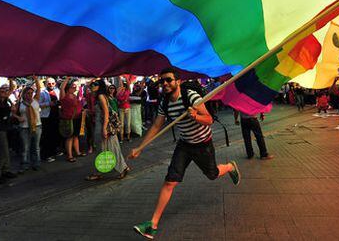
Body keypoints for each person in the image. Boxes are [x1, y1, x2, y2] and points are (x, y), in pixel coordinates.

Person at [129, 67, 241, 239]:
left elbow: (209, 120)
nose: (164, 83)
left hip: (203, 145)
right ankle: (152, 224)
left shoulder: (191, 97)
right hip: (184, 145)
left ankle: (229, 167)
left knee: (212, 174)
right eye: (162, 81)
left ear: (177, 81)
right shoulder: (164, 103)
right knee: (169, 182)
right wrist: (140, 147)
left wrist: (195, 116)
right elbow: (157, 126)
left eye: (168, 80)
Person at [85, 79, 130, 181]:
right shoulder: (99, 95)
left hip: (103, 126)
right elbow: (88, 87)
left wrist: (104, 129)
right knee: (106, 149)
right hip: (102, 125)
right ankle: (104, 171)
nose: (92, 85)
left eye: (95, 84)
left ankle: (121, 168)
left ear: (100, 86)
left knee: (109, 149)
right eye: (92, 84)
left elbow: (106, 113)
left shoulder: (101, 96)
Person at [0, 80, 17, 183]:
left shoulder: (4, 101)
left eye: (5, 91)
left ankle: (5, 170)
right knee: (4, 152)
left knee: (6, 151)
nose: (5, 92)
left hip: (5, 129)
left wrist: (11, 79)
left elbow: (10, 90)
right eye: (2, 91)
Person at [17, 76, 43, 172]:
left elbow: (39, 88)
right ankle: (25, 164)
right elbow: (13, 113)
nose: (30, 95)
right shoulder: (20, 103)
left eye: (31, 93)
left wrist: (36, 79)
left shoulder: (35, 100)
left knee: (36, 147)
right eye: (28, 93)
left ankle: (36, 163)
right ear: (24, 94)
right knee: (25, 148)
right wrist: (18, 117)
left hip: (37, 126)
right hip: (24, 128)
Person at [60, 77, 85, 162]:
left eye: (75, 87)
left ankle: (77, 152)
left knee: (76, 136)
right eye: (72, 87)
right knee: (70, 137)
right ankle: (69, 155)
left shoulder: (75, 95)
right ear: (68, 88)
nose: (74, 88)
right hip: (69, 119)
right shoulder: (64, 96)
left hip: (77, 118)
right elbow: (62, 87)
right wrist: (67, 78)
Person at [39, 77, 61, 162]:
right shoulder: (42, 92)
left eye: (53, 83)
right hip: (46, 116)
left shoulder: (57, 91)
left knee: (54, 134)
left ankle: (54, 151)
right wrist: (49, 103)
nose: (51, 85)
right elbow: (38, 104)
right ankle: (46, 155)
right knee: (46, 136)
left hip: (55, 115)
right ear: (45, 83)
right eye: (49, 83)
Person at [117, 77, 132, 142]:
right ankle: (121, 138)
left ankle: (128, 137)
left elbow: (128, 84)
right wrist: (119, 78)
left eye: (124, 85)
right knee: (121, 124)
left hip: (127, 108)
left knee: (128, 123)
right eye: (122, 85)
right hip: (121, 109)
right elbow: (117, 98)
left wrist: (126, 77)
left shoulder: (127, 91)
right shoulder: (118, 92)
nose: (123, 86)